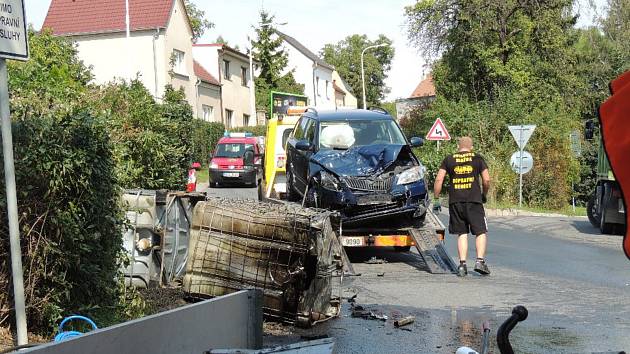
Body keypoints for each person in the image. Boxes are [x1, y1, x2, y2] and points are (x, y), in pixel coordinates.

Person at [433, 136, 491, 277]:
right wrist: (484, 194)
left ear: (458, 147)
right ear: (471, 147)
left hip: (456, 201)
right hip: (474, 201)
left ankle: (462, 265)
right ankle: (479, 261)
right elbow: (486, 179)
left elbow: (439, 179)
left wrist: (436, 199)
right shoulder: (477, 158)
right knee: (480, 231)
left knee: (462, 233)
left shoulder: (449, 159)